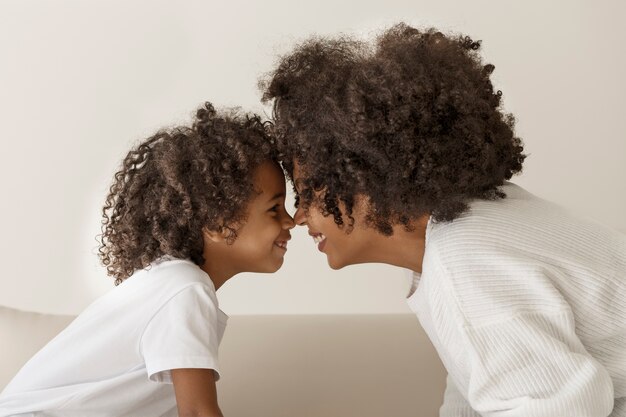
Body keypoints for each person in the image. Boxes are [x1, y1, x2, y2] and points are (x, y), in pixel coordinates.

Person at [262, 23, 626, 417]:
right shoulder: (467, 235)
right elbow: (474, 388)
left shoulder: (465, 261)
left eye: (308, 192)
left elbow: (560, 409)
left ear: (365, 179)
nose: (299, 217)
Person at [0, 102, 295, 417]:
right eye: (274, 209)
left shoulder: (172, 285)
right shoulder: (185, 290)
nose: (290, 221)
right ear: (219, 224)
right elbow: (197, 412)